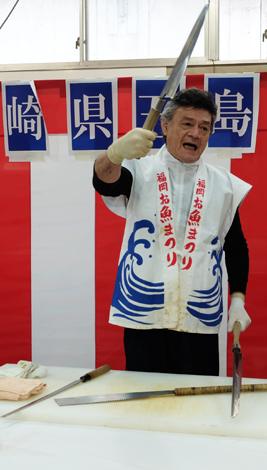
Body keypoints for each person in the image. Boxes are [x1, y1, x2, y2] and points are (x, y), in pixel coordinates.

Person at [93, 88, 251, 376]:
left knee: (197, 405)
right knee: (145, 403)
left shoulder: (224, 184)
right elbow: (104, 182)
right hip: (143, 312)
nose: (195, 133)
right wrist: (114, 154)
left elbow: (236, 246)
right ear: (165, 126)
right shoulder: (139, 169)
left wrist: (238, 300)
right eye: (187, 123)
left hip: (199, 313)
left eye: (204, 127)